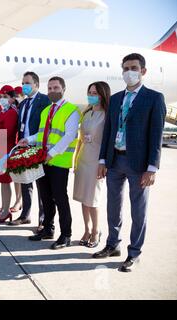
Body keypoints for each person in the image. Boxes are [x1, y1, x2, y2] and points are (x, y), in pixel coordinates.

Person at [93, 53, 166, 272]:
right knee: (112, 206)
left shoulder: (154, 98)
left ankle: (134, 253)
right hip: (115, 160)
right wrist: (103, 159)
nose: (128, 72)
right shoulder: (115, 99)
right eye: (125, 68)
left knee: (138, 210)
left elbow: (157, 134)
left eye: (133, 67)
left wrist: (152, 167)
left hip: (139, 165)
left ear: (143, 71)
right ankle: (112, 244)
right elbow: (108, 131)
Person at [28, 76, 80, 250]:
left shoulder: (71, 110)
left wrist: (51, 154)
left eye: (56, 87)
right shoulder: (46, 111)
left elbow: (69, 136)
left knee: (59, 198)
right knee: (45, 197)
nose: (52, 91)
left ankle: (66, 234)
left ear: (63, 89)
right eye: (49, 88)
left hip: (59, 162)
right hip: (43, 160)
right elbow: (42, 135)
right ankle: (48, 229)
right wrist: (27, 139)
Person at [73, 81, 110, 247]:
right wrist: (75, 161)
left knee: (93, 199)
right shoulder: (86, 113)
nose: (91, 96)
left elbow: (108, 142)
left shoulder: (107, 115)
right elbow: (81, 139)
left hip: (97, 162)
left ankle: (96, 231)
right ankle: (87, 230)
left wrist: (106, 163)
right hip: (83, 160)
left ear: (102, 94)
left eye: (95, 93)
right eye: (90, 92)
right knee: (83, 198)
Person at [12, 71, 50, 230]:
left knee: (41, 184)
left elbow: (46, 125)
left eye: (27, 83)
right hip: (24, 146)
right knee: (25, 181)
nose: (24, 86)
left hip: (37, 146)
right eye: (23, 83)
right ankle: (25, 215)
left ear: (36, 84)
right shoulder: (23, 103)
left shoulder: (44, 100)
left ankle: (43, 219)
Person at [0, 85, 19, 223]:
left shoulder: (12, 112)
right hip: (1, 149)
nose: (2, 99)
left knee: (5, 181)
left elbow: (6, 133)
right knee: (2, 182)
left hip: (6, 150)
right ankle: (4, 209)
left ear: (12, 98)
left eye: (5, 97)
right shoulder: (4, 111)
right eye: (1, 97)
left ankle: (6, 210)